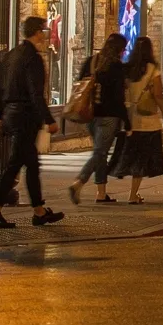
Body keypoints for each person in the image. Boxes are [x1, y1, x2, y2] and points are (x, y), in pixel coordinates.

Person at [0, 16, 64, 228]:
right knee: (14, 166)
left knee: (30, 165)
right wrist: (49, 119)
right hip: (25, 117)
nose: (46, 35)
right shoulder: (33, 58)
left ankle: (39, 211)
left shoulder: (11, 55)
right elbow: (35, 93)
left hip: (12, 115)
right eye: (44, 31)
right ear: (37, 32)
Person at [68, 32, 130, 205]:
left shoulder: (91, 61)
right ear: (119, 49)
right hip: (109, 117)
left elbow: (80, 83)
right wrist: (127, 122)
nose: (124, 52)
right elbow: (119, 99)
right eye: (123, 49)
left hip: (90, 114)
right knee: (100, 153)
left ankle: (101, 193)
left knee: (100, 154)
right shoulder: (116, 67)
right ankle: (79, 182)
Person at [111, 36, 163, 202]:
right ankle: (133, 194)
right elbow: (158, 95)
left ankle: (133, 193)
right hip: (149, 120)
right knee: (142, 159)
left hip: (131, 118)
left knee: (134, 156)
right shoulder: (153, 70)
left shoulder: (128, 70)